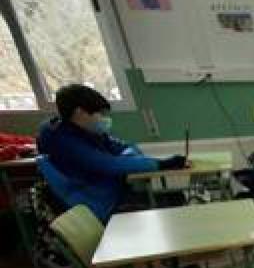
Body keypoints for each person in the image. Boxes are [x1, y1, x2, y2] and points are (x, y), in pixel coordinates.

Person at [36, 84, 186, 221]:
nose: (104, 118)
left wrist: (126, 159)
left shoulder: (88, 131)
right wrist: (160, 164)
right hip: (99, 206)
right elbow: (108, 165)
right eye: (99, 113)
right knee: (171, 202)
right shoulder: (63, 140)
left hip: (112, 194)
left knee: (174, 197)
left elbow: (127, 147)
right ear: (79, 113)